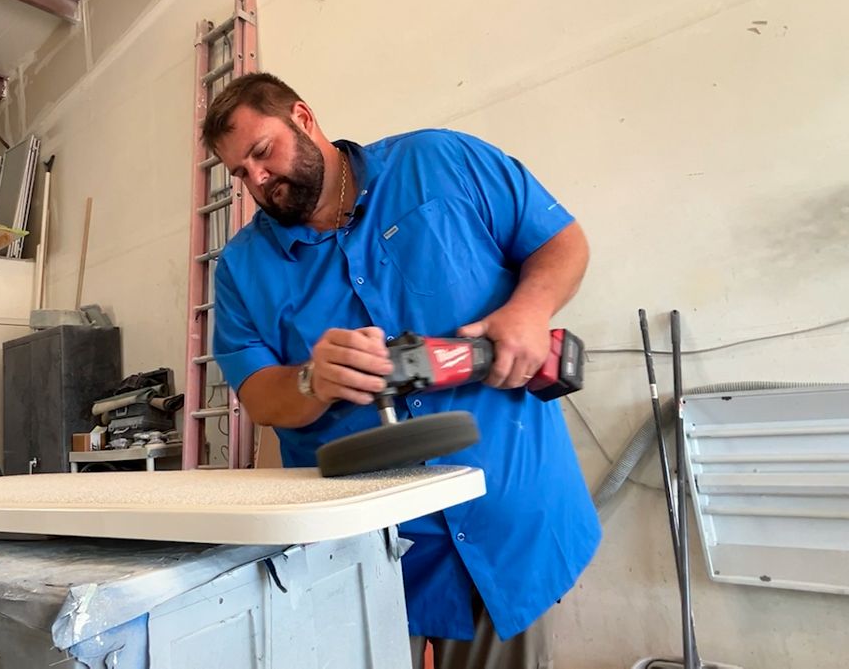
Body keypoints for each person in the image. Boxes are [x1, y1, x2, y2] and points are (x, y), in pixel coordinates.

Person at [204, 72, 600, 669]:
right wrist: (312, 380)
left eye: (262, 152)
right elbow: (261, 397)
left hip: (506, 519)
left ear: (303, 117)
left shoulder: (439, 162)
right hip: (366, 555)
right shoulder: (240, 270)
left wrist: (527, 309)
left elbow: (562, 242)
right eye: (239, 173)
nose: (256, 180)